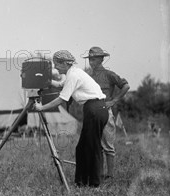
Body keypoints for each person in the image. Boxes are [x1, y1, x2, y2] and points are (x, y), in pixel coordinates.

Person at [34, 50, 108, 187]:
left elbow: (62, 98)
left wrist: (41, 108)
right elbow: (61, 85)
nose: (55, 68)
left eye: (56, 65)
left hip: (95, 109)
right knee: (82, 148)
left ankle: (95, 184)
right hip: (95, 109)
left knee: (93, 147)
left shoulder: (73, 75)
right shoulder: (73, 72)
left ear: (64, 63)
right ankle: (81, 182)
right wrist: (45, 80)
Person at [83, 46, 130, 179]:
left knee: (108, 146)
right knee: (96, 146)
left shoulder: (110, 74)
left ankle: (110, 176)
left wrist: (114, 100)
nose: (91, 62)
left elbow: (126, 86)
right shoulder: (87, 76)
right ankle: (98, 174)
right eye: (90, 59)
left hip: (105, 112)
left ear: (101, 59)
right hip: (91, 113)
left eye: (94, 59)